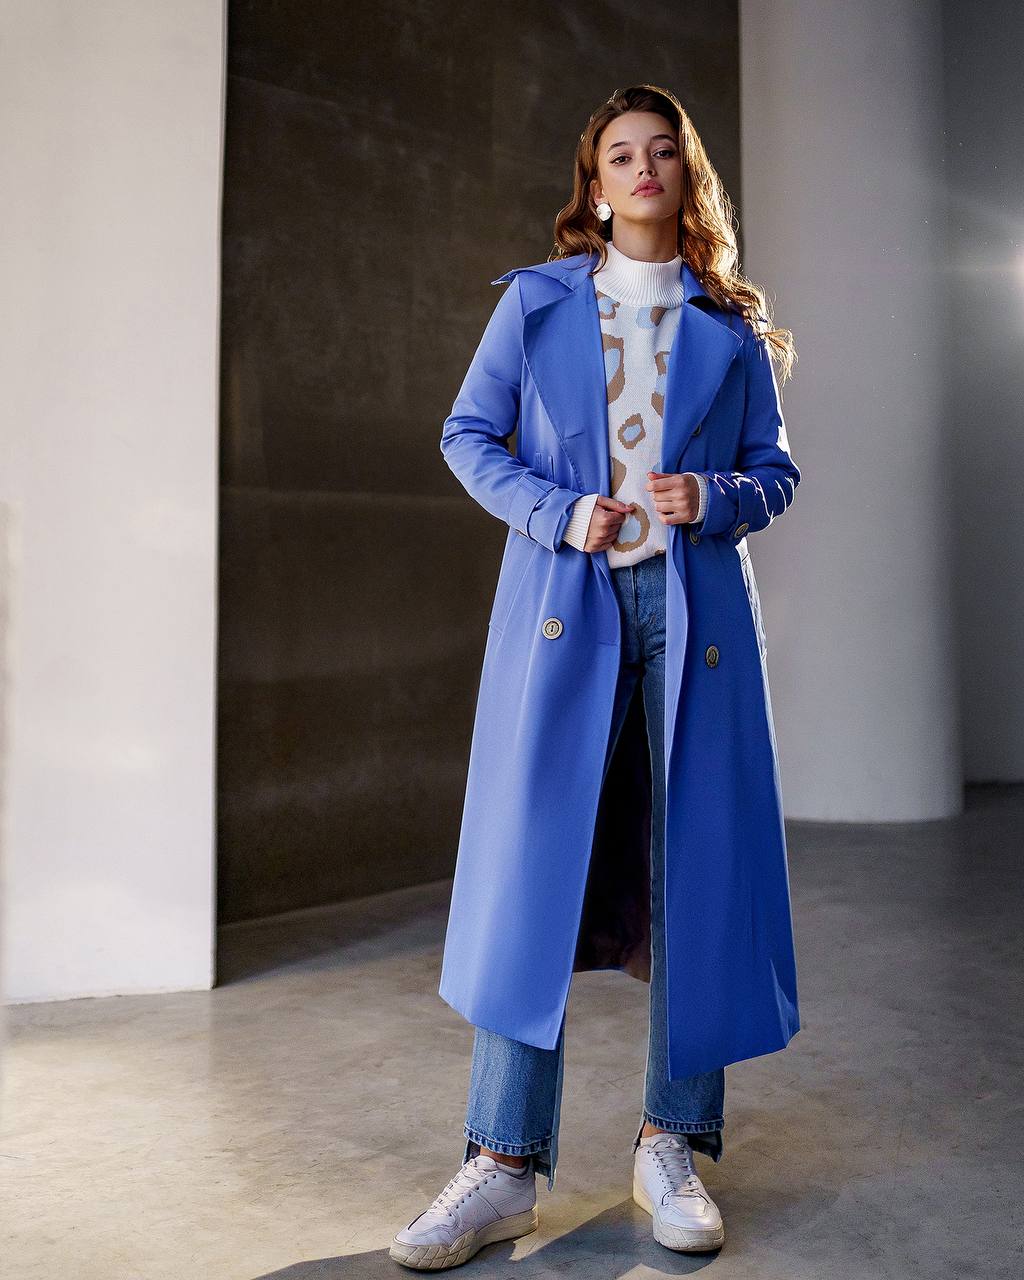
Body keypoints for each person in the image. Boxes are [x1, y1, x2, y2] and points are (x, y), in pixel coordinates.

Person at [390, 83, 801, 1271]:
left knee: (696, 869)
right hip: (564, 613)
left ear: (686, 176)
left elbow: (775, 471)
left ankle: (671, 1143)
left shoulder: (729, 324)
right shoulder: (532, 304)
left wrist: (714, 498)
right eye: (620, 152)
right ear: (593, 179)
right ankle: (502, 1163)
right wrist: (559, 512)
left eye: (662, 150)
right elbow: (468, 438)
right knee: (534, 877)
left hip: (693, 617)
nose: (641, 167)